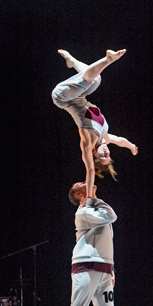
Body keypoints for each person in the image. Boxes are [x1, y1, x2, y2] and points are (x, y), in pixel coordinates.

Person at [51, 49, 139, 200]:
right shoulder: (104, 137)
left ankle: (108, 60)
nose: (106, 151)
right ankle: (72, 62)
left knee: (89, 80)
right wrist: (130, 146)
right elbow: (119, 140)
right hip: (79, 96)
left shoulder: (88, 140)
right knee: (96, 79)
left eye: (102, 155)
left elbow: (90, 171)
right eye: (108, 154)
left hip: (62, 98)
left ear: (94, 154)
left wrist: (90, 195)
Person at [60, 182, 127, 306]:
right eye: (81, 184)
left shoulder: (93, 210)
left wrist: (111, 268)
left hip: (104, 267)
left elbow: (106, 242)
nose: (86, 181)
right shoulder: (84, 212)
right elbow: (112, 216)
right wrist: (94, 199)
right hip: (86, 265)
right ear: (80, 194)